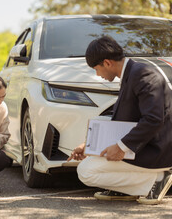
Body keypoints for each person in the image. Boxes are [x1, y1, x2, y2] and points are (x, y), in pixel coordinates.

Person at [68, 36, 172, 204]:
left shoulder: (142, 74)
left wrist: (121, 147)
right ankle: (129, 188)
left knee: (86, 171)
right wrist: (89, 145)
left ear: (107, 63)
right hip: (144, 148)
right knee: (88, 164)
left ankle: (156, 180)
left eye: (96, 69)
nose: (97, 74)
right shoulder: (132, 74)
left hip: (156, 152)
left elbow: (153, 119)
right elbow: (124, 119)